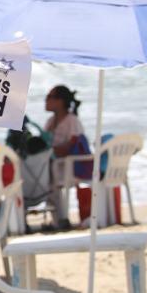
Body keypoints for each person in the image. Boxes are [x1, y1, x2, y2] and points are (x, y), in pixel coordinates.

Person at [43, 85, 88, 229]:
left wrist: (52, 150)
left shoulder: (71, 121)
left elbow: (74, 145)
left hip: (71, 166)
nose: (46, 100)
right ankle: (58, 219)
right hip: (53, 164)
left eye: (50, 97)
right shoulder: (50, 121)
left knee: (46, 176)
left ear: (60, 101)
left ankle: (61, 219)